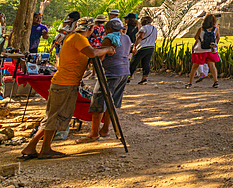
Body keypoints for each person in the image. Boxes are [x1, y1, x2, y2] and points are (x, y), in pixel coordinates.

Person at [20, 19, 114, 159]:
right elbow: (92, 53)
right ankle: (45, 149)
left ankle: (32, 146)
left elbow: (90, 56)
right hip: (65, 84)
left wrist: (101, 52)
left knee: (53, 116)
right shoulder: (79, 38)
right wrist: (108, 49)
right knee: (55, 117)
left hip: (66, 83)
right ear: (90, 29)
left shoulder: (75, 37)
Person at [79, 19, 132, 143]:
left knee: (98, 102)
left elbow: (101, 57)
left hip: (110, 74)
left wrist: (93, 55)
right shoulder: (127, 38)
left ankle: (94, 133)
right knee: (111, 103)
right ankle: (105, 129)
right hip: (124, 72)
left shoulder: (109, 38)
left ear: (107, 30)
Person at [186, 14, 220, 88]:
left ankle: (190, 83)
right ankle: (216, 81)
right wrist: (214, 45)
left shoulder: (201, 29)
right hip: (211, 50)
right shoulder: (216, 29)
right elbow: (217, 38)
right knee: (212, 66)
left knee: (195, 66)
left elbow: (196, 37)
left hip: (200, 50)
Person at [128, 16, 158, 84]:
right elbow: (155, 38)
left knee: (134, 62)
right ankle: (144, 78)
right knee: (146, 63)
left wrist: (135, 46)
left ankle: (128, 78)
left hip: (142, 47)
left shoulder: (144, 28)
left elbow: (140, 37)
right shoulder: (154, 28)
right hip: (151, 47)